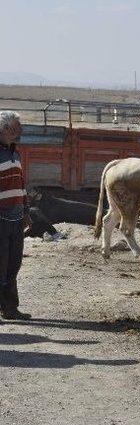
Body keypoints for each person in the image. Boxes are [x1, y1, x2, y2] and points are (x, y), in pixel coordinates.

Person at [0, 111, 32, 321]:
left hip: (16, 217)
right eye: (16, 127)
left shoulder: (15, 154)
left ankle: (10, 308)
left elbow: (21, 185)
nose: (19, 131)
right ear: (4, 130)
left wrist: (26, 212)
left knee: (13, 265)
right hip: (1, 218)